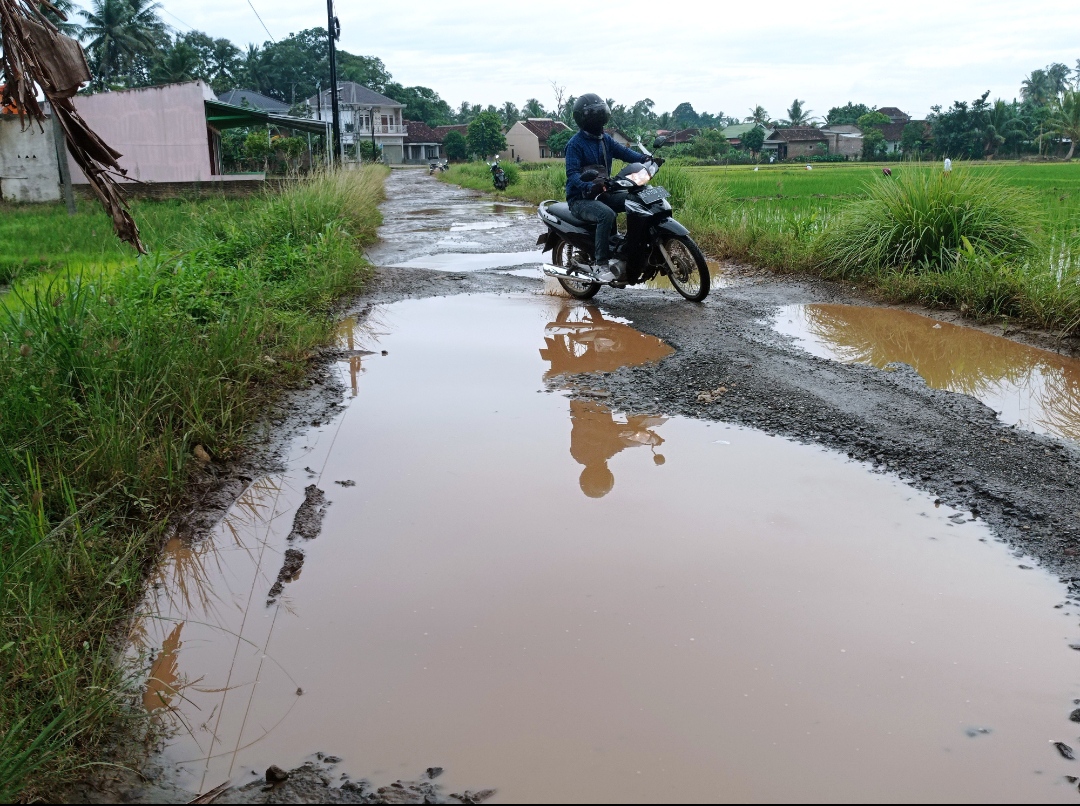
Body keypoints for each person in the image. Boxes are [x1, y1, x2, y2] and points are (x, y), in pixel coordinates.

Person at [564, 94, 653, 283]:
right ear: (584, 119)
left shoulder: (605, 139)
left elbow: (625, 153)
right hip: (581, 199)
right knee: (607, 215)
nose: (599, 120)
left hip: (603, 192)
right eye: (595, 116)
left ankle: (631, 247)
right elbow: (572, 175)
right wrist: (588, 185)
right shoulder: (574, 144)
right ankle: (600, 264)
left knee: (636, 200)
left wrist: (645, 159)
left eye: (601, 115)